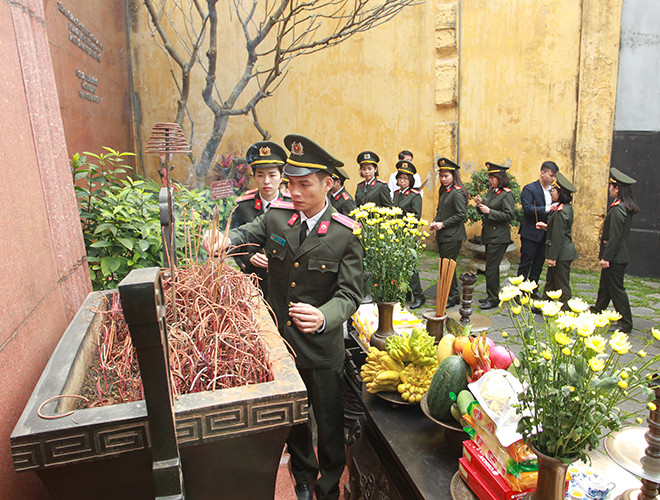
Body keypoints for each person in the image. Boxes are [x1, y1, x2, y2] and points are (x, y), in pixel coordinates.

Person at [203, 134, 363, 500]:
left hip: (321, 349)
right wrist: (223, 239)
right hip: (282, 347)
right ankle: (303, 478)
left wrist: (323, 316)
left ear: (328, 184)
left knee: (329, 425)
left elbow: (349, 294)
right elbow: (244, 233)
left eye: (305, 184)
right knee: (294, 420)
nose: (296, 191)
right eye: (291, 183)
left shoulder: (345, 234)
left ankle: (328, 486)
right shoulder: (277, 218)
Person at [229, 141, 289, 299]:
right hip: (252, 280)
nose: (266, 181)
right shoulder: (244, 206)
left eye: (272, 175)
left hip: (283, 281)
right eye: (260, 175)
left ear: (281, 177)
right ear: (254, 176)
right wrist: (249, 258)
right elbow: (235, 241)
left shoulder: (291, 206)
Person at [590, 168, 639, 333]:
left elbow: (615, 237)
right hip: (616, 255)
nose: (609, 189)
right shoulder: (622, 206)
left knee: (616, 289)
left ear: (617, 189)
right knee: (605, 286)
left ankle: (625, 323)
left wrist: (607, 257)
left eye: (611, 186)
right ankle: (598, 311)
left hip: (616, 257)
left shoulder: (618, 209)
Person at [474, 162, 515, 310]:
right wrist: (480, 205)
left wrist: (489, 211)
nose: (490, 180)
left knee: (491, 268)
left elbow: (509, 215)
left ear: (500, 178)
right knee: (490, 267)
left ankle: (493, 299)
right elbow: (486, 209)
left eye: (493, 177)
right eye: (490, 177)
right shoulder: (492, 191)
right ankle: (491, 295)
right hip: (490, 235)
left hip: (499, 236)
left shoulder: (507, 194)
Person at [429, 157, 467, 309]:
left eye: (446, 176)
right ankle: (452, 294)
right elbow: (441, 210)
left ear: (453, 176)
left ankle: (451, 296)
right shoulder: (445, 190)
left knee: (448, 267)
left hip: (453, 235)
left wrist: (443, 224)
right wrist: (435, 221)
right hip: (444, 235)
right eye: (441, 176)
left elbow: (461, 214)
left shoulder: (457, 192)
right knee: (445, 266)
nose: (443, 179)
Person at [534, 172, 578, 306]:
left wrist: (552, 257)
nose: (551, 192)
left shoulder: (561, 212)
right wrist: (547, 226)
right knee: (551, 281)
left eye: (553, 190)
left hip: (561, 253)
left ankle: (566, 309)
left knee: (561, 284)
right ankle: (545, 305)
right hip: (561, 251)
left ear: (560, 193)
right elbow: (559, 228)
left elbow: (558, 236)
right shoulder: (565, 208)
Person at [517, 161, 559, 297]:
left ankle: (533, 288)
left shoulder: (553, 191)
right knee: (526, 262)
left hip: (545, 232)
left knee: (539, 263)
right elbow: (528, 209)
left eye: (555, 176)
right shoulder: (530, 189)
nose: (553, 179)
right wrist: (548, 208)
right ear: (542, 173)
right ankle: (519, 290)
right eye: (551, 175)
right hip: (531, 231)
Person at [392, 160, 425, 309]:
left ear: (410, 180)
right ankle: (405, 293)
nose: (402, 181)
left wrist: (402, 225)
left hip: (407, 234)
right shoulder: (396, 194)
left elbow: (416, 216)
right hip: (396, 234)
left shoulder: (414, 195)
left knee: (410, 266)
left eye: (405, 178)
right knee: (399, 265)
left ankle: (419, 295)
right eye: (400, 178)